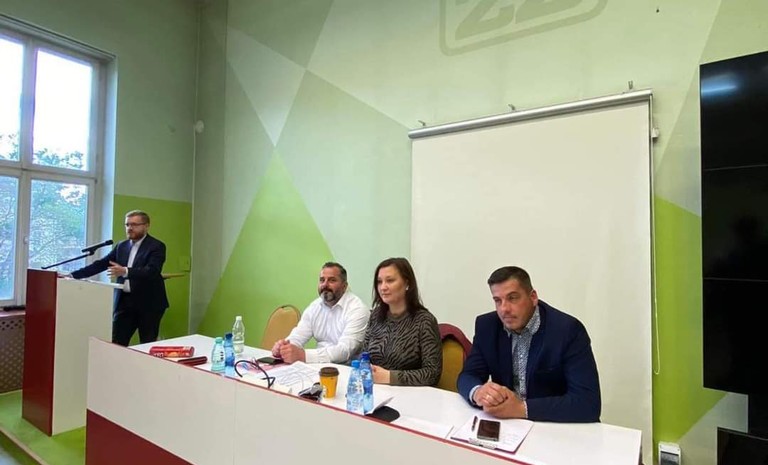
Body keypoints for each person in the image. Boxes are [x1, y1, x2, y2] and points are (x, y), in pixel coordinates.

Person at [457, 266, 601, 423]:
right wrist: (478, 392)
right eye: (498, 300)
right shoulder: (487, 326)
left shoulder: (567, 331)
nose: (504, 309)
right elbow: (468, 375)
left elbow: (587, 403)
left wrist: (522, 408)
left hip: (554, 425)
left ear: (533, 297)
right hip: (508, 426)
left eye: (512, 298)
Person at [69, 210, 169, 346]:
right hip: (124, 302)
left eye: (134, 225)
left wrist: (125, 271)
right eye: (127, 224)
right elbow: (102, 264)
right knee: (117, 343)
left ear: (146, 226)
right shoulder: (122, 246)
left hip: (149, 303)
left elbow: (152, 271)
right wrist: (72, 275)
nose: (130, 228)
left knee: (147, 343)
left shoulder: (156, 246)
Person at [362, 257, 442, 386]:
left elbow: (432, 374)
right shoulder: (375, 315)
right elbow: (364, 356)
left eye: (390, 280)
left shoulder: (425, 321)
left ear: (407, 283)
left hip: (410, 393)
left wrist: (390, 377)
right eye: (379, 282)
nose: (383, 287)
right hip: (375, 389)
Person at [271, 262, 368, 364]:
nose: (325, 285)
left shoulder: (358, 309)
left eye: (332, 280)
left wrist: (303, 356)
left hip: (347, 368)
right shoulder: (314, 307)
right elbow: (298, 336)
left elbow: (344, 351)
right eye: (322, 280)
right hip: (317, 365)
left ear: (344, 286)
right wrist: (284, 348)